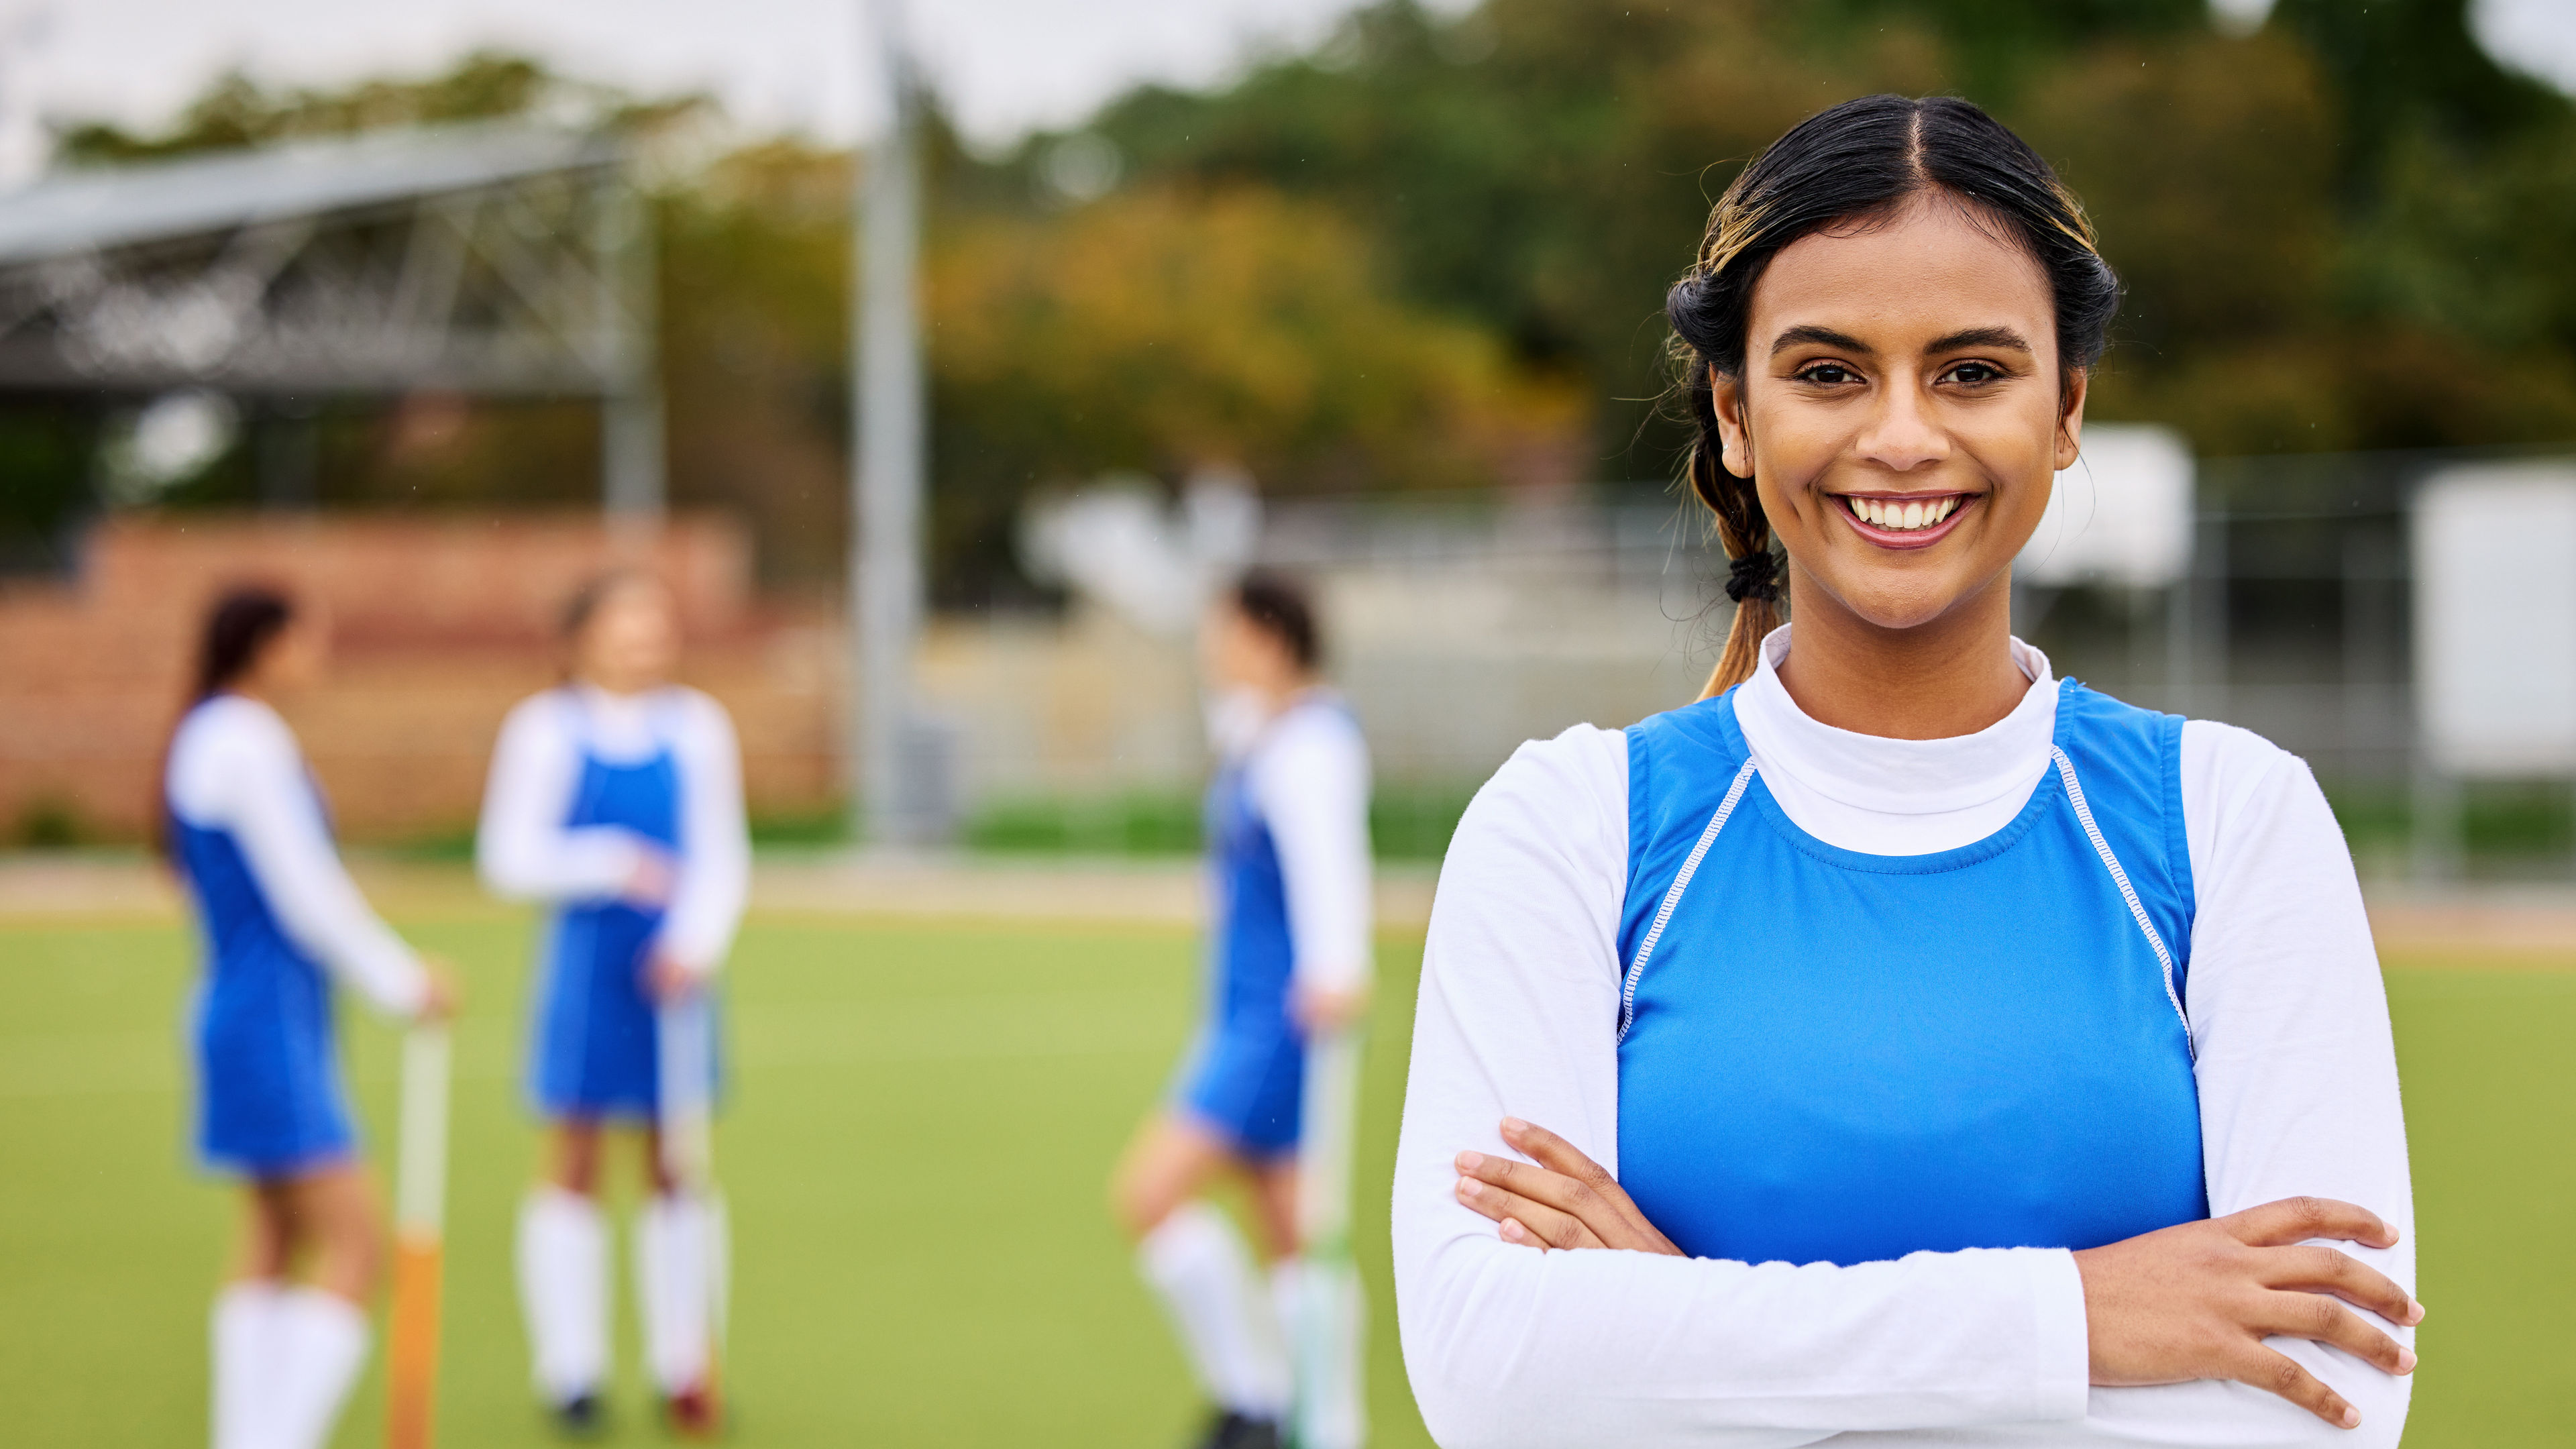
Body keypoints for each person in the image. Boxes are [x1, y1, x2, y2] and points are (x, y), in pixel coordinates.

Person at [1393, 94, 2420, 1448]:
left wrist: (1682, 1325)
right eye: (1828, 372)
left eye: (1971, 372)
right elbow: (1495, 1381)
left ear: (2067, 409)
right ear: (1735, 413)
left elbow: (2324, 1401)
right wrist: (2082, 1322)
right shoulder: (1569, 830)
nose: (1900, 437)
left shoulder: (2231, 821)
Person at [165, 585, 457, 1449]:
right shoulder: (246, 740)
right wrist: (403, 980)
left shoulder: (212, 733)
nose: (318, 654)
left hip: (254, 1010)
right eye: (307, 638)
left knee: (271, 1233)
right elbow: (306, 893)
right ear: (267, 645)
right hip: (267, 1020)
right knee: (355, 1244)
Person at [476, 570, 749, 1436]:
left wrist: (693, 946)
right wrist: (612, 863)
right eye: (626, 623)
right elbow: (509, 856)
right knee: (575, 1160)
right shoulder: (545, 729)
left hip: (674, 981)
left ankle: (684, 1360)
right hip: (586, 971)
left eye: (657, 623)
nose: (645, 640)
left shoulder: (700, 726)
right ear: (580, 637)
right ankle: (574, 1369)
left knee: (677, 1166)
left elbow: (722, 855)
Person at [1113, 572, 1375, 1449]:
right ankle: (1301, 1417)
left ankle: (1261, 1400)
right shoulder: (1258, 731)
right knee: (1290, 1228)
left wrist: (1340, 973)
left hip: (1275, 1024)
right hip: (1240, 1013)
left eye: (1221, 632)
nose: (1207, 650)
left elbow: (1328, 868)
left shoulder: (1310, 747)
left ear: (1267, 637)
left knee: (1150, 1195)